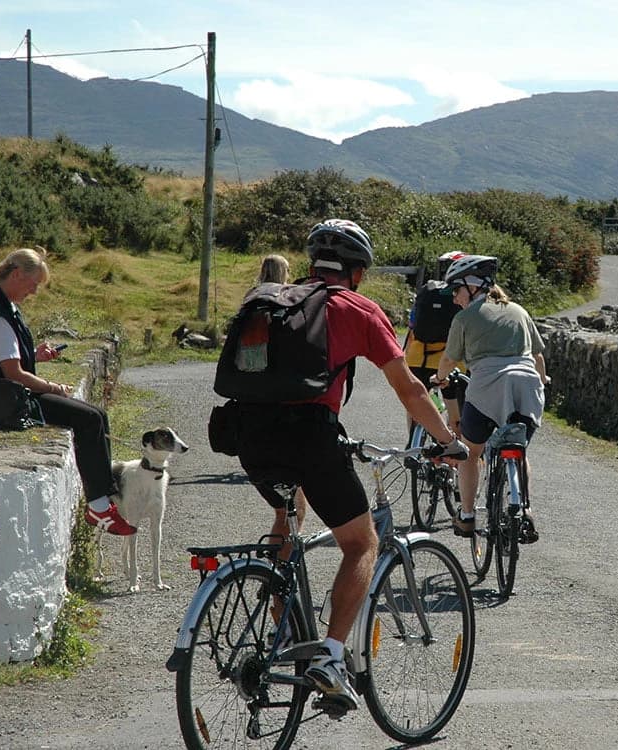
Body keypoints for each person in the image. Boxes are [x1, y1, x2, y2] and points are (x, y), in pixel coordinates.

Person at [234, 219, 468, 711]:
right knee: (362, 542)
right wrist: (448, 440)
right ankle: (331, 656)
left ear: (312, 264)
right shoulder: (358, 308)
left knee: (287, 516)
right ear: (358, 272)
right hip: (309, 435)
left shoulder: (274, 301)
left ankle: (278, 632)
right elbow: (409, 388)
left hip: (248, 435)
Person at [0, 248, 136, 536]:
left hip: (6, 395)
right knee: (89, 419)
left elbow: (5, 358)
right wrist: (54, 387)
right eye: (33, 284)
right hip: (6, 402)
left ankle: (103, 498)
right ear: (18, 274)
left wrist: (35, 355)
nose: (33, 291)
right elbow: (14, 373)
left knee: (96, 414)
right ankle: (98, 505)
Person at [433, 254, 549, 542]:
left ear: (472, 287)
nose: (454, 298)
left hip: (486, 389)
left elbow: (449, 359)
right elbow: (537, 357)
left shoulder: (465, 318)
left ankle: (468, 515)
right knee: (518, 450)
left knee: (471, 452)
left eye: (456, 290)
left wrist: (439, 378)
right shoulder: (519, 311)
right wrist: (543, 382)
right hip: (526, 388)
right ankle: (525, 509)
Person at [402, 251, 465, 439]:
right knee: (459, 411)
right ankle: (458, 450)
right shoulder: (461, 297)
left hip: (417, 358)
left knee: (416, 402)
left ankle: (413, 440)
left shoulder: (426, 290)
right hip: (451, 362)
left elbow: (413, 324)